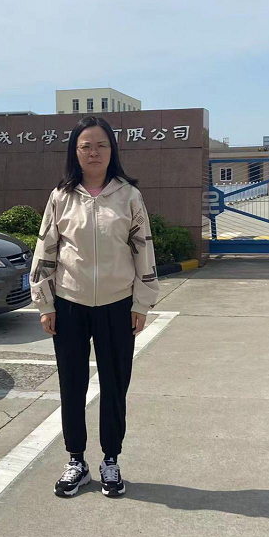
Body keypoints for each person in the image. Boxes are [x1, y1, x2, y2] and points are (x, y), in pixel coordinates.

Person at [30, 115, 159, 497]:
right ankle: (76, 461)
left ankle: (110, 460)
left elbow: (143, 249)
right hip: (70, 303)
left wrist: (142, 302)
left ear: (112, 150)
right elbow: (46, 249)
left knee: (115, 386)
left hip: (117, 305)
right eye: (85, 146)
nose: (93, 152)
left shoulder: (129, 196)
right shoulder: (61, 196)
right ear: (75, 151)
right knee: (72, 384)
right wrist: (45, 303)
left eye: (101, 145)